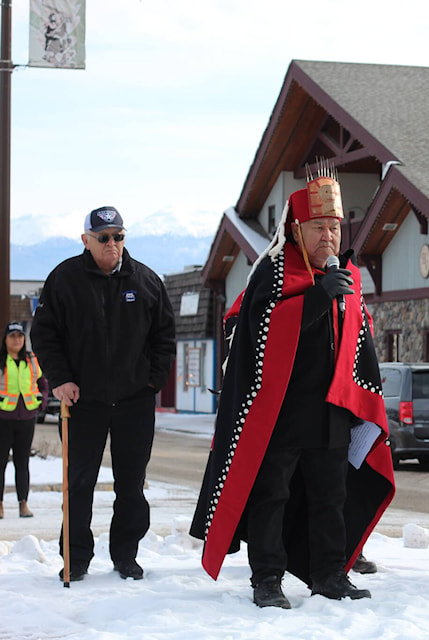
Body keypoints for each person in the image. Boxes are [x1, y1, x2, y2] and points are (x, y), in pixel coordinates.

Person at [191, 164, 395, 609]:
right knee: (272, 496)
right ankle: (266, 578)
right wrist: (319, 299)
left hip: (332, 413)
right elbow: (262, 334)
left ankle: (329, 574)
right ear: (296, 229)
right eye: (319, 227)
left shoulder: (348, 278)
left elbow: (361, 347)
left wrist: (368, 404)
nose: (329, 237)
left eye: (335, 228)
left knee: (331, 496)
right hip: (279, 413)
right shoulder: (272, 273)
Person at [31, 206, 176, 582]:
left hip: (134, 401)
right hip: (82, 402)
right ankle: (76, 557)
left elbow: (165, 336)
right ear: (86, 241)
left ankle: (126, 555)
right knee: (79, 483)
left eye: (119, 236)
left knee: (131, 485)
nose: (112, 244)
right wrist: (60, 379)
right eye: (104, 237)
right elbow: (45, 336)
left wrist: (153, 381)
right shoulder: (64, 279)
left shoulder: (146, 280)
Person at [0, 321, 49, 519]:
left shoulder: (31, 360)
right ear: (5, 339)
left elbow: (42, 382)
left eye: (20, 336)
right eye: (12, 336)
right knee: (1, 463)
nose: (17, 340)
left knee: (23, 462)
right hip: (3, 417)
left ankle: (23, 503)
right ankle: (1, 504)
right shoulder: (1, 360)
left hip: (27, 417)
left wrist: (42, 400)